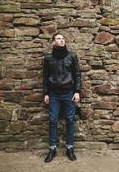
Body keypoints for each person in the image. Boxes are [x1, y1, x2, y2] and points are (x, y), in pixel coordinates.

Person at [42, 33, 81, 163]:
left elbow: (77, 74)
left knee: (70, 120)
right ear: (53, 42)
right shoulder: (48, 58)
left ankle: (70, 148)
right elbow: (45, 76)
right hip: (53, 94)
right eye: (59, 38)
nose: (62, 40)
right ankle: (52, 149)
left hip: (69, 93)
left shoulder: (72, 56)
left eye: (63, 38)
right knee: (52, 120)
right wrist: (46, 93)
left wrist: (77, 91)